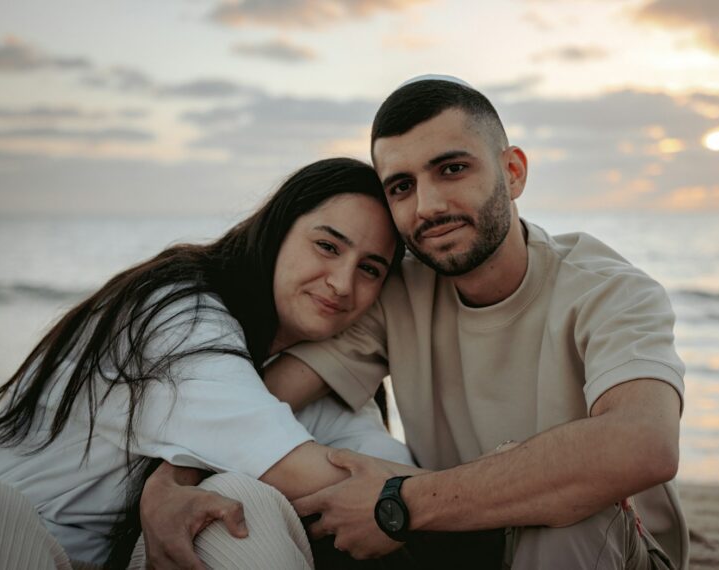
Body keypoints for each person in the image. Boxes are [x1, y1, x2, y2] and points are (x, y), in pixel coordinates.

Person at [147, 76, 689, 569]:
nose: (427, 206)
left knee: (569, 512)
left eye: (452, 169)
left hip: (607, 550)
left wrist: (401, 502)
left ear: (513, 171)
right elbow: (267, 397)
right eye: (402, 187)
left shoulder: (610, 290)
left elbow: (643, 443)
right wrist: (170, 482)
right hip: (459, 539)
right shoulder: (399, 290)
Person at [0, 158, 419, 570]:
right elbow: (303, 470)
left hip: (121, 558)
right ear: (278, 230)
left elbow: (387, 467)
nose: (342, 283)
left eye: (369, 269)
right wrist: (465, 497)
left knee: (242, 505)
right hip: (26, 540)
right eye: (327, 246)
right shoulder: (181, 316)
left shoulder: (311, 371)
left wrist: (448, 498)